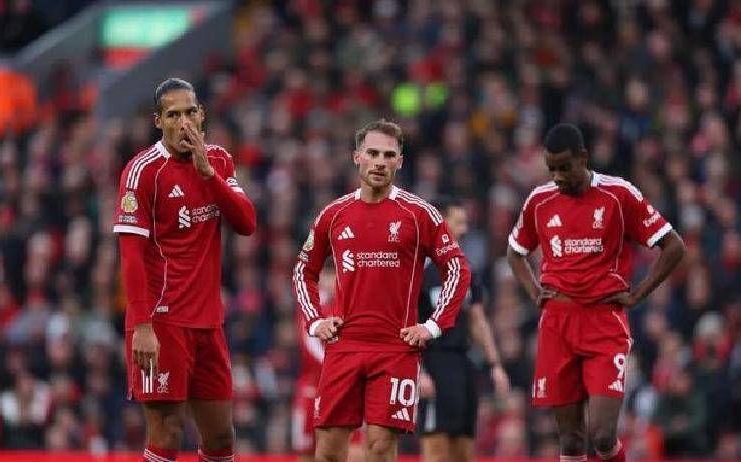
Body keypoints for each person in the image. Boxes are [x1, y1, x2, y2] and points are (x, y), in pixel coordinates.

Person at [292, 119, 471, 462]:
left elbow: (458, 269)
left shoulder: (419, 214)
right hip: (344, 345)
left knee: (380, 447)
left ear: (400, 162)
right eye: (372, 153)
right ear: (356, 157)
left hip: (395, 348)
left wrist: (433, 325)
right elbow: (304, 269)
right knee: (327, 451)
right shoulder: (334, 213)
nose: (380, 162)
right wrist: (315, 321)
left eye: (389, 155)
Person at [506, 123, 685, 462]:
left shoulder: (618, 195)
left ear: (584, 158)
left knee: (602, 436)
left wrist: (637, 295)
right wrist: (533, 291)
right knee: (571, 441)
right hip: (557, 324)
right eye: (552, 168)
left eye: (565, 167)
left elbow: (674, 246)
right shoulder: (540, 200)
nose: (558, 176)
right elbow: (515, 252)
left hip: (604, 323)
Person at [113, 77, 257, 462]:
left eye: (190, 113)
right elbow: (130, 255)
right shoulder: (142, 171)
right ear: (158, 121)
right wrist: (142, 325)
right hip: (161, 322)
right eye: (173, 115)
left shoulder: (218, 160)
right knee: (167, 430)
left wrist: (209, 174)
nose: (184, 123)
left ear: (202, 114)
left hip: (208, 321)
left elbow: (246, 223)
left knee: (221, 436)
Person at [416, 198, 510, 462]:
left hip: (463, 363)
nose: (464, 229)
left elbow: (478, 321)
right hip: (434, 362)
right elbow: (407, 323)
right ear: (440, 224)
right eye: (458, 222)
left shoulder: (466, 270)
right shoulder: (419, 271)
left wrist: (495, 365)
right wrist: (418, 371)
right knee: (436, 446)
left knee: (465, 447)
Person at [293, 270, 364, 462]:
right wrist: (340, 366)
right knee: (307, 453)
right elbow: (310, 347)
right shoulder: (312, 307)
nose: (333, 281)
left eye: (336, 276)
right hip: (313, 388)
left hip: (346, 388)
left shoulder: (353, 307)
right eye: (329, 276)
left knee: (354, 450)